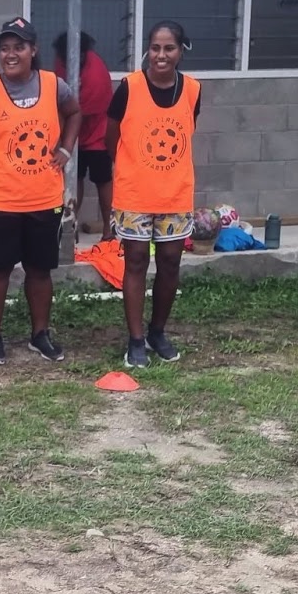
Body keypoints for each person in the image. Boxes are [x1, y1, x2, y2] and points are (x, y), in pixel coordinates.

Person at [0, 17, 80, 366]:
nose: (10, 54)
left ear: (33, 50)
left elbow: (75, 113)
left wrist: (66, 148)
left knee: (40, 270)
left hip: (44, 198)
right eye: (5, 48)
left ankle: (40, 334)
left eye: (19, 47)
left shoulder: (53, 85)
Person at [108, 21, 202, 369]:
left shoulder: (193, 89)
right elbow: (111, 138)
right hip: (134, 193)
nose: (161, 55)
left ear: (181, 51)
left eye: (169, 48)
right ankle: (135, 340)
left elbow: (188, 127)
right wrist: (132, 168)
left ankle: (157, 332)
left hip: (175, 194)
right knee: (135, 262)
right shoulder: (129, 87)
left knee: (170, 263)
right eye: (155, 48)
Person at [53, 31, 115, 239]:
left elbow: (76, 112)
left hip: (97, 134)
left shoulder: (95, 73)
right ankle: (71, 225)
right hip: (73, 136)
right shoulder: (60, 64)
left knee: (103, 180)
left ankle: (109, 228)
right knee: (73, 178)